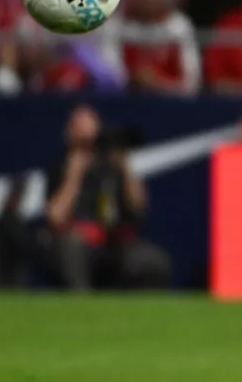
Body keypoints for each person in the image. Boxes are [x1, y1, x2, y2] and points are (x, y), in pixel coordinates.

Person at [42, 105, 170, 290]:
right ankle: (81, 307)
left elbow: (139, 208)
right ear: (69, 135)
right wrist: (74, 177)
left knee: (153, 260)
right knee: (71, 247)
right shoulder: (60, 167)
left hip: (113, 243)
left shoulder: (113, 166)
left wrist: (126, 168)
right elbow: (55, 218)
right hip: (79, 243)